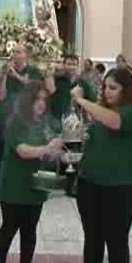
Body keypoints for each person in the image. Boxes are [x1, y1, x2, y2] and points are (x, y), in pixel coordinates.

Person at [71, 67, 132, 263]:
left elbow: (114, 122)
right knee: (92, 241)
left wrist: (82, 101)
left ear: (126, 89)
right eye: (105, 87)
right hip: (90, 185)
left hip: (119, 188)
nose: (107, 91)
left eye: (113, 87)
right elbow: (97, 134)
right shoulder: (102, 112)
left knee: (116, 243)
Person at [0, 81, 63, 263]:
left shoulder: (47, 122)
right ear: (27, 100)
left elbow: (55, 146)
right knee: (9, 227)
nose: (41, 103)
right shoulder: (16, 121)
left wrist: (57, 151)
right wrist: (46, 149)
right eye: (36, 99)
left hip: (37, 184)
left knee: (30, 229)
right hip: (14, 183)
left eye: (44, 99)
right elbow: (22, 150)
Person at [0, 45, 44, 201]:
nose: (15, 54)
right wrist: (4, 75)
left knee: (24, 152)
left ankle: (25, 185)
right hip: (5, 117)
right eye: (13, 52)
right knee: (0, 152)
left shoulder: (33, 71)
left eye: (18, 52)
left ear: (26, 54)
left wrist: (16, 75)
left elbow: (35, 89)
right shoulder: (5, 70)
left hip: (27, 119)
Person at [45, 54, 97, 197]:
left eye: (74, 64)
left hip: (74, 123)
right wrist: (50, 71)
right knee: (52, 152)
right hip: (55, 120)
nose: (71, 66)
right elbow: (50, 90)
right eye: (68, 63)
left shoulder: (83, 82)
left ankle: (71, 186)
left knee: (73, 154)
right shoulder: (58, 79)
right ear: (63, 64)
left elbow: (92, 100)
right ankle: (47, 184)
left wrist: (89, 121)